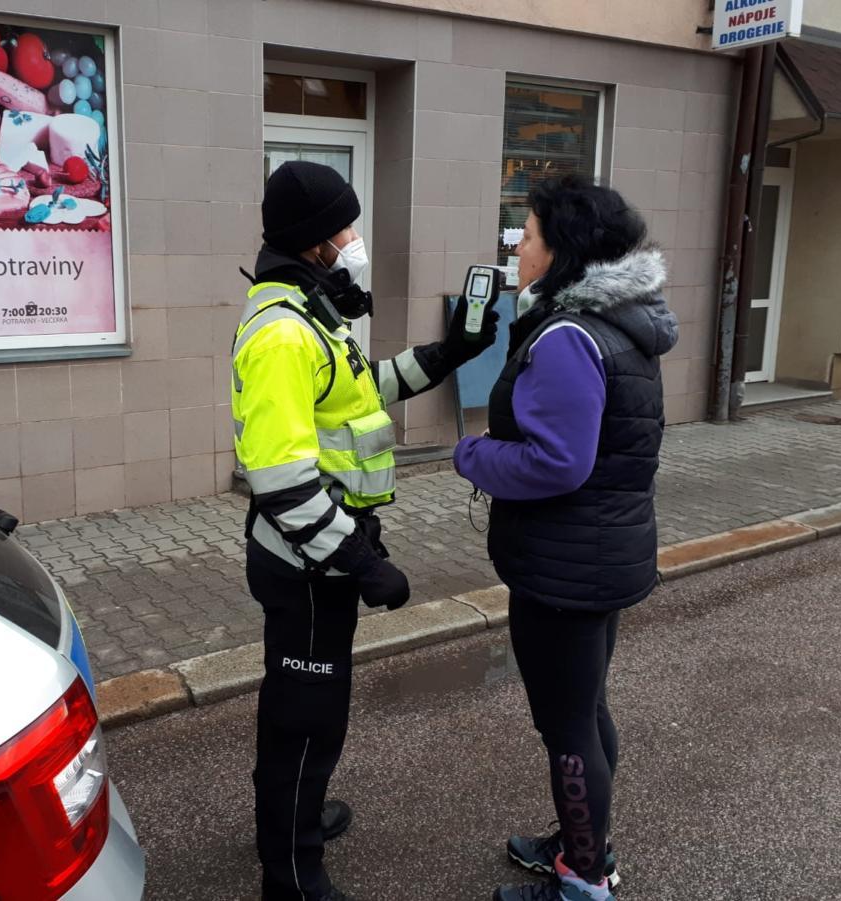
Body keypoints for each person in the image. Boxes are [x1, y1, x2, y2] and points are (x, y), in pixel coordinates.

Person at [233, 160, 498, 901]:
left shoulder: (309, 310)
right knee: (306, 719)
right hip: (309, 561)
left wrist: (449, 355)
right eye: (344, 227)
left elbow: (361, 390)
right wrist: (358, 559)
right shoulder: (282, 334)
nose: (354, 240)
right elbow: (281, 479)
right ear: (313, 239)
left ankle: (295, 816)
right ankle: (291, 872)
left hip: (321, 556)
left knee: (301, 708)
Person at [453, 175, 678, 901]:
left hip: (564, 569)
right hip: (599, 555)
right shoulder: (619, 324)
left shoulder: (570, 337)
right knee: (586, 711)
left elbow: (558, 461)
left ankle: (584, 879)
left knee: (567, 726)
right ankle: (585, 845)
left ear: (562, 250)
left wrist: (473, 454)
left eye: (529, 232)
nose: (518, 246)